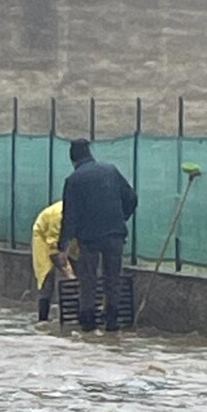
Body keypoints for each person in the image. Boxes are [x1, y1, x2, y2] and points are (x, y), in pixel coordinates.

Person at [58, 138, 137, 332]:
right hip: (114, 235)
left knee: (88, 280)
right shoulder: (111, 171)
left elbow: (70, 216)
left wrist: (63, 247)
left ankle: (88, 324)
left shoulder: (74, 180)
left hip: (89, 239)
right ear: (90, 154)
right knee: (113, 278)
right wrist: (120, 218)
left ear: (73, 160)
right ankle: (112, 322)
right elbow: (132, 198)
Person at [31, 200, 76, 322]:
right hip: (44, 238)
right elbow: (53, 249)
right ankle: (43, 318)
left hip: (71, 238)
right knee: (47, 276)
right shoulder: (57, 216)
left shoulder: (84, 211)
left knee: (80, 273)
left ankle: (77, 314)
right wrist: (68, 273)